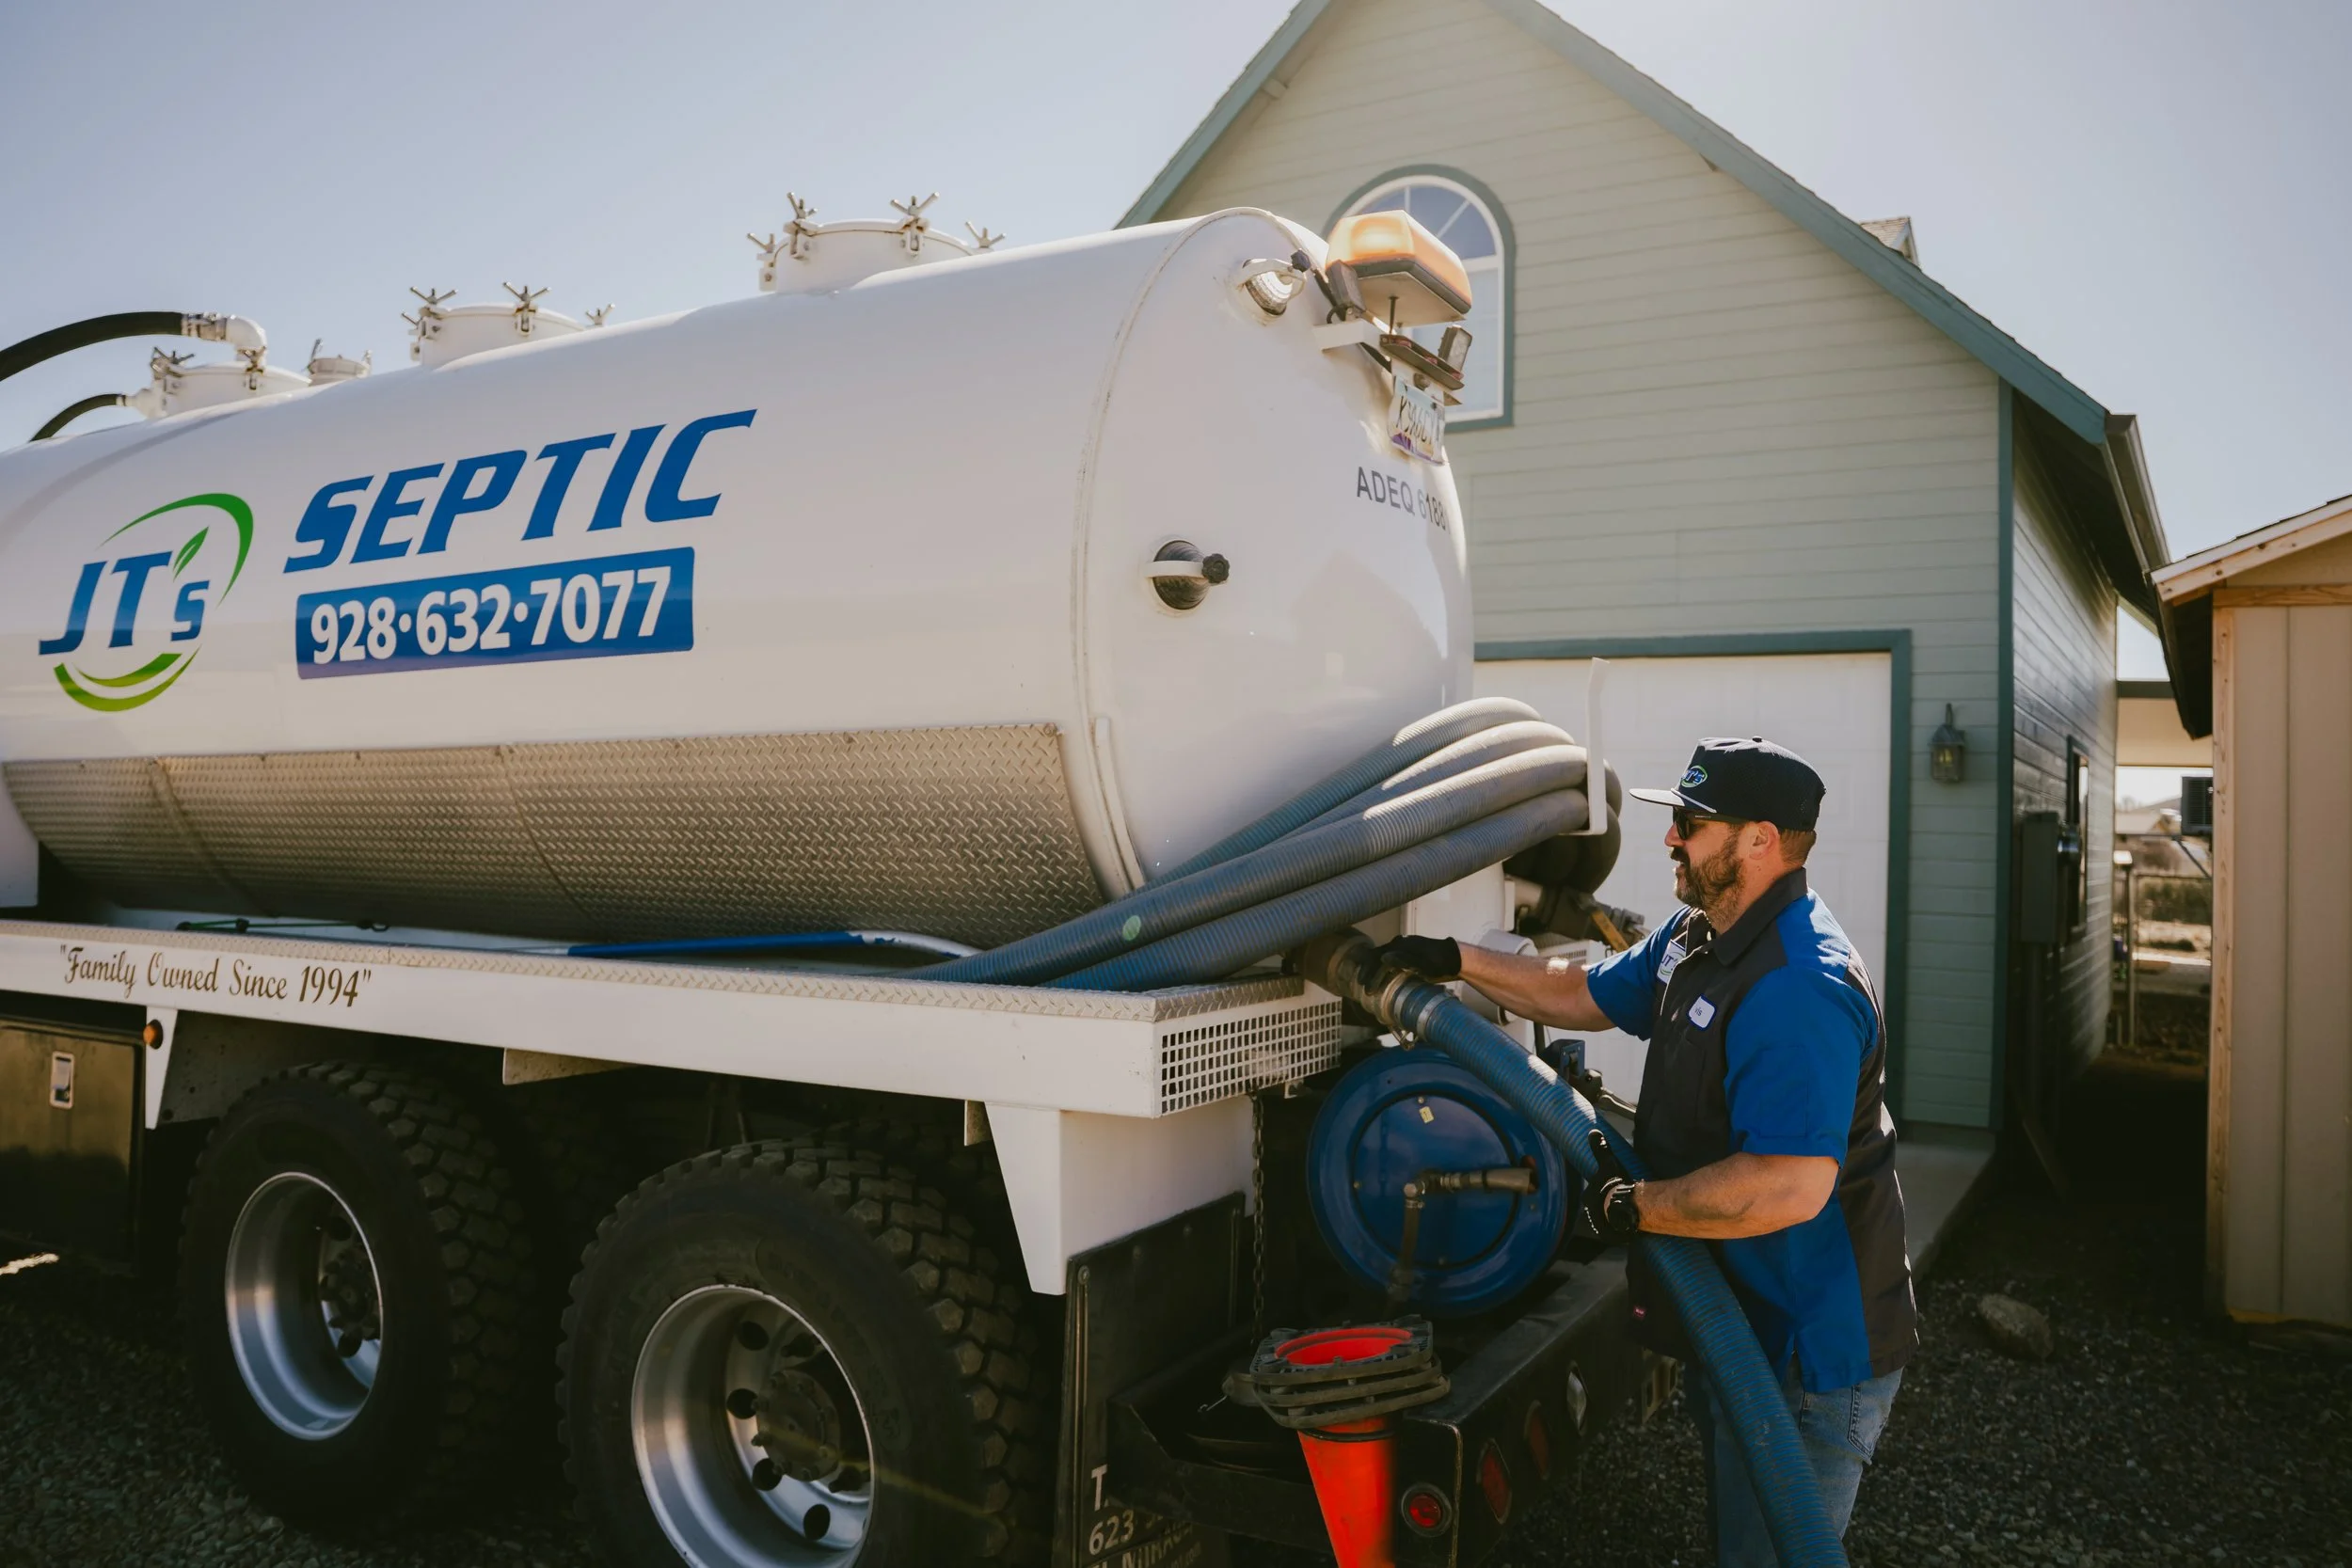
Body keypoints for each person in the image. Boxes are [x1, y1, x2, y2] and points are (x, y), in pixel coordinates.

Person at [1376, 736, 1915, 1564]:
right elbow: (1578, 990)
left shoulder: (1799, 985)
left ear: (1761, 840)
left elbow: (1789, 1185)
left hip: (1807, 1355)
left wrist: (1636, 1206)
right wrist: (1454, 963)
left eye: (1693, 824)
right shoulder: (1698, 937)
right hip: (1739, 1320)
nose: (1671, 838)